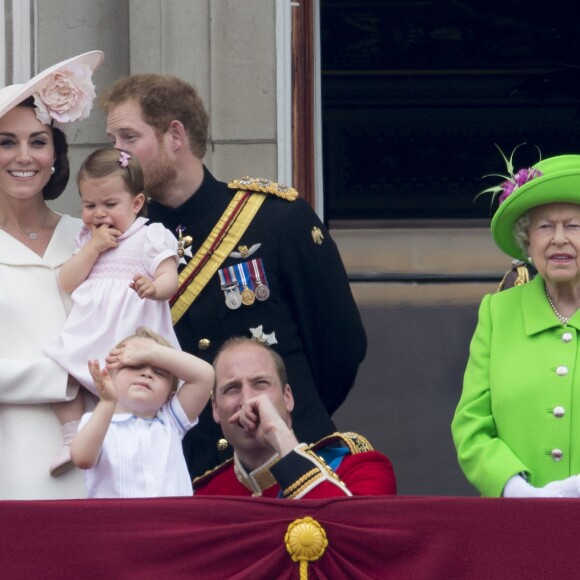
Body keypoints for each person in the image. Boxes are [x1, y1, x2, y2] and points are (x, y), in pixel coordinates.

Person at [99, 74, 368, 478]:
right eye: (113, 141)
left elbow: (340, 346)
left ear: (175, 135)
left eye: (128, 138)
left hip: (285, 462)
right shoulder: (123, 241)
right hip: (184, 469)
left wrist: (278, 412)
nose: (118, 155)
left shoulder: (276, 219)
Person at [0, 50, 103, 499]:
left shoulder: (91, 236)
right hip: (16, 464)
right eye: (6, 142)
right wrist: (64, 378)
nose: (24, 156)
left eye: (38, 141)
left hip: (108, 457)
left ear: (56, 155)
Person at [44, 147, 180, 476]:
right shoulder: (87, 239)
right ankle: (72, 435)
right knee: (61, 370)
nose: (99, 214)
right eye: (90, 205)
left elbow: (169, 277)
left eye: (110, 205)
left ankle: (131, 449)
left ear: (135, 203)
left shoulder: (150, 235)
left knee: (133, 392)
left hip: (131, 332)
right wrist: (93, 247)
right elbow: (67, 281)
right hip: (93, 332)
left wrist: (154, 289)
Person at [452, 153, 580, 498]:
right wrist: (514, 488)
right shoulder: (498, 313)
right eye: (544, 227)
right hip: (518, 525)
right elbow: (471, 425)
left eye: (573, 226)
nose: (558, 239)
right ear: (528, 241)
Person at [193, 337, 396, 497]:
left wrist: (278, 434)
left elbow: (351, 536)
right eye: (232, 388)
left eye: (261, 383)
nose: (247, 400)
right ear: (215, 409)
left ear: (287, 397)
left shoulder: (360, 468)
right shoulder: (202, 497)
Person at [71, 326, 214, 498]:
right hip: (120, 523)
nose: (146, 373)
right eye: (134, 366)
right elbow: (82, 458)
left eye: (159, 372)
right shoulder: (99, 422)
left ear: (170, 395)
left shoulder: (170, 421)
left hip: (174, 523)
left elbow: (205, 376)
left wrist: (150, 352)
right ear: (110, 375)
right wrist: (108, 401)